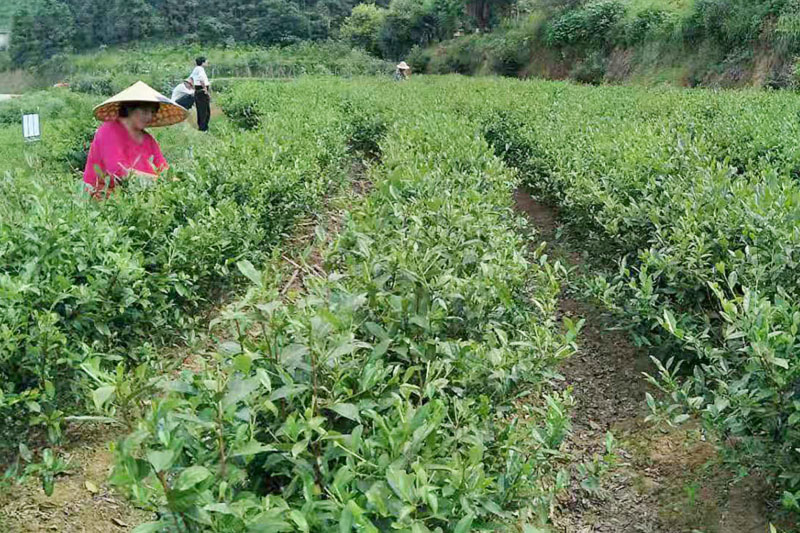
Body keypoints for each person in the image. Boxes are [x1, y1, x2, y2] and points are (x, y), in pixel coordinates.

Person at [83, 81, 187, 198]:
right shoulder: (109, 130)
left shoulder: (148, 139)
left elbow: (162, 168)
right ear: (129, 108)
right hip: (104, 198)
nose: (149, 117)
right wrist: (157, 180)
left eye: (152, 112)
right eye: (144, 111)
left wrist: (176, 181)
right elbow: (117, 172)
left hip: (139, 195)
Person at [191, 56, 211, 131]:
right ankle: (203, 128)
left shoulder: (196, 69)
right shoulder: (200, 69)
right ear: (202, 63)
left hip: (198, 90)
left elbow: (191, 79)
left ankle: (201, 126)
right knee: (205, 111)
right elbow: (201, 79)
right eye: (206, 61)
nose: (207, 63)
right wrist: (205, 89)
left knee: (201, 110)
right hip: (202, 90)